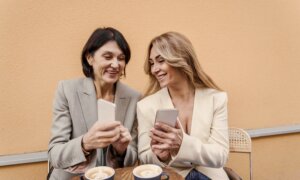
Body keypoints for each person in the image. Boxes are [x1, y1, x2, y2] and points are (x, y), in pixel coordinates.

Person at [48, 27, 141, 180]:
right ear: (89, 58)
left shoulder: (134, 97)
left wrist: (121, 151)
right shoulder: (67, 90)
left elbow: (132, 159)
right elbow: (55, 155)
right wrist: (85, 143)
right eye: (108, 56)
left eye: (121, 58)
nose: (116, 64)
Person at [137, 32, 229, 180]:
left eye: (161, 61)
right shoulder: (146, 106)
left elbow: (220, 156)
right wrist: (161, 157)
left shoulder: (216, 99)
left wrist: (182, 143)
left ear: (181, 59)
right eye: (152, 63)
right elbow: (144, 156)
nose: (154, 69)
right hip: (171, 176)